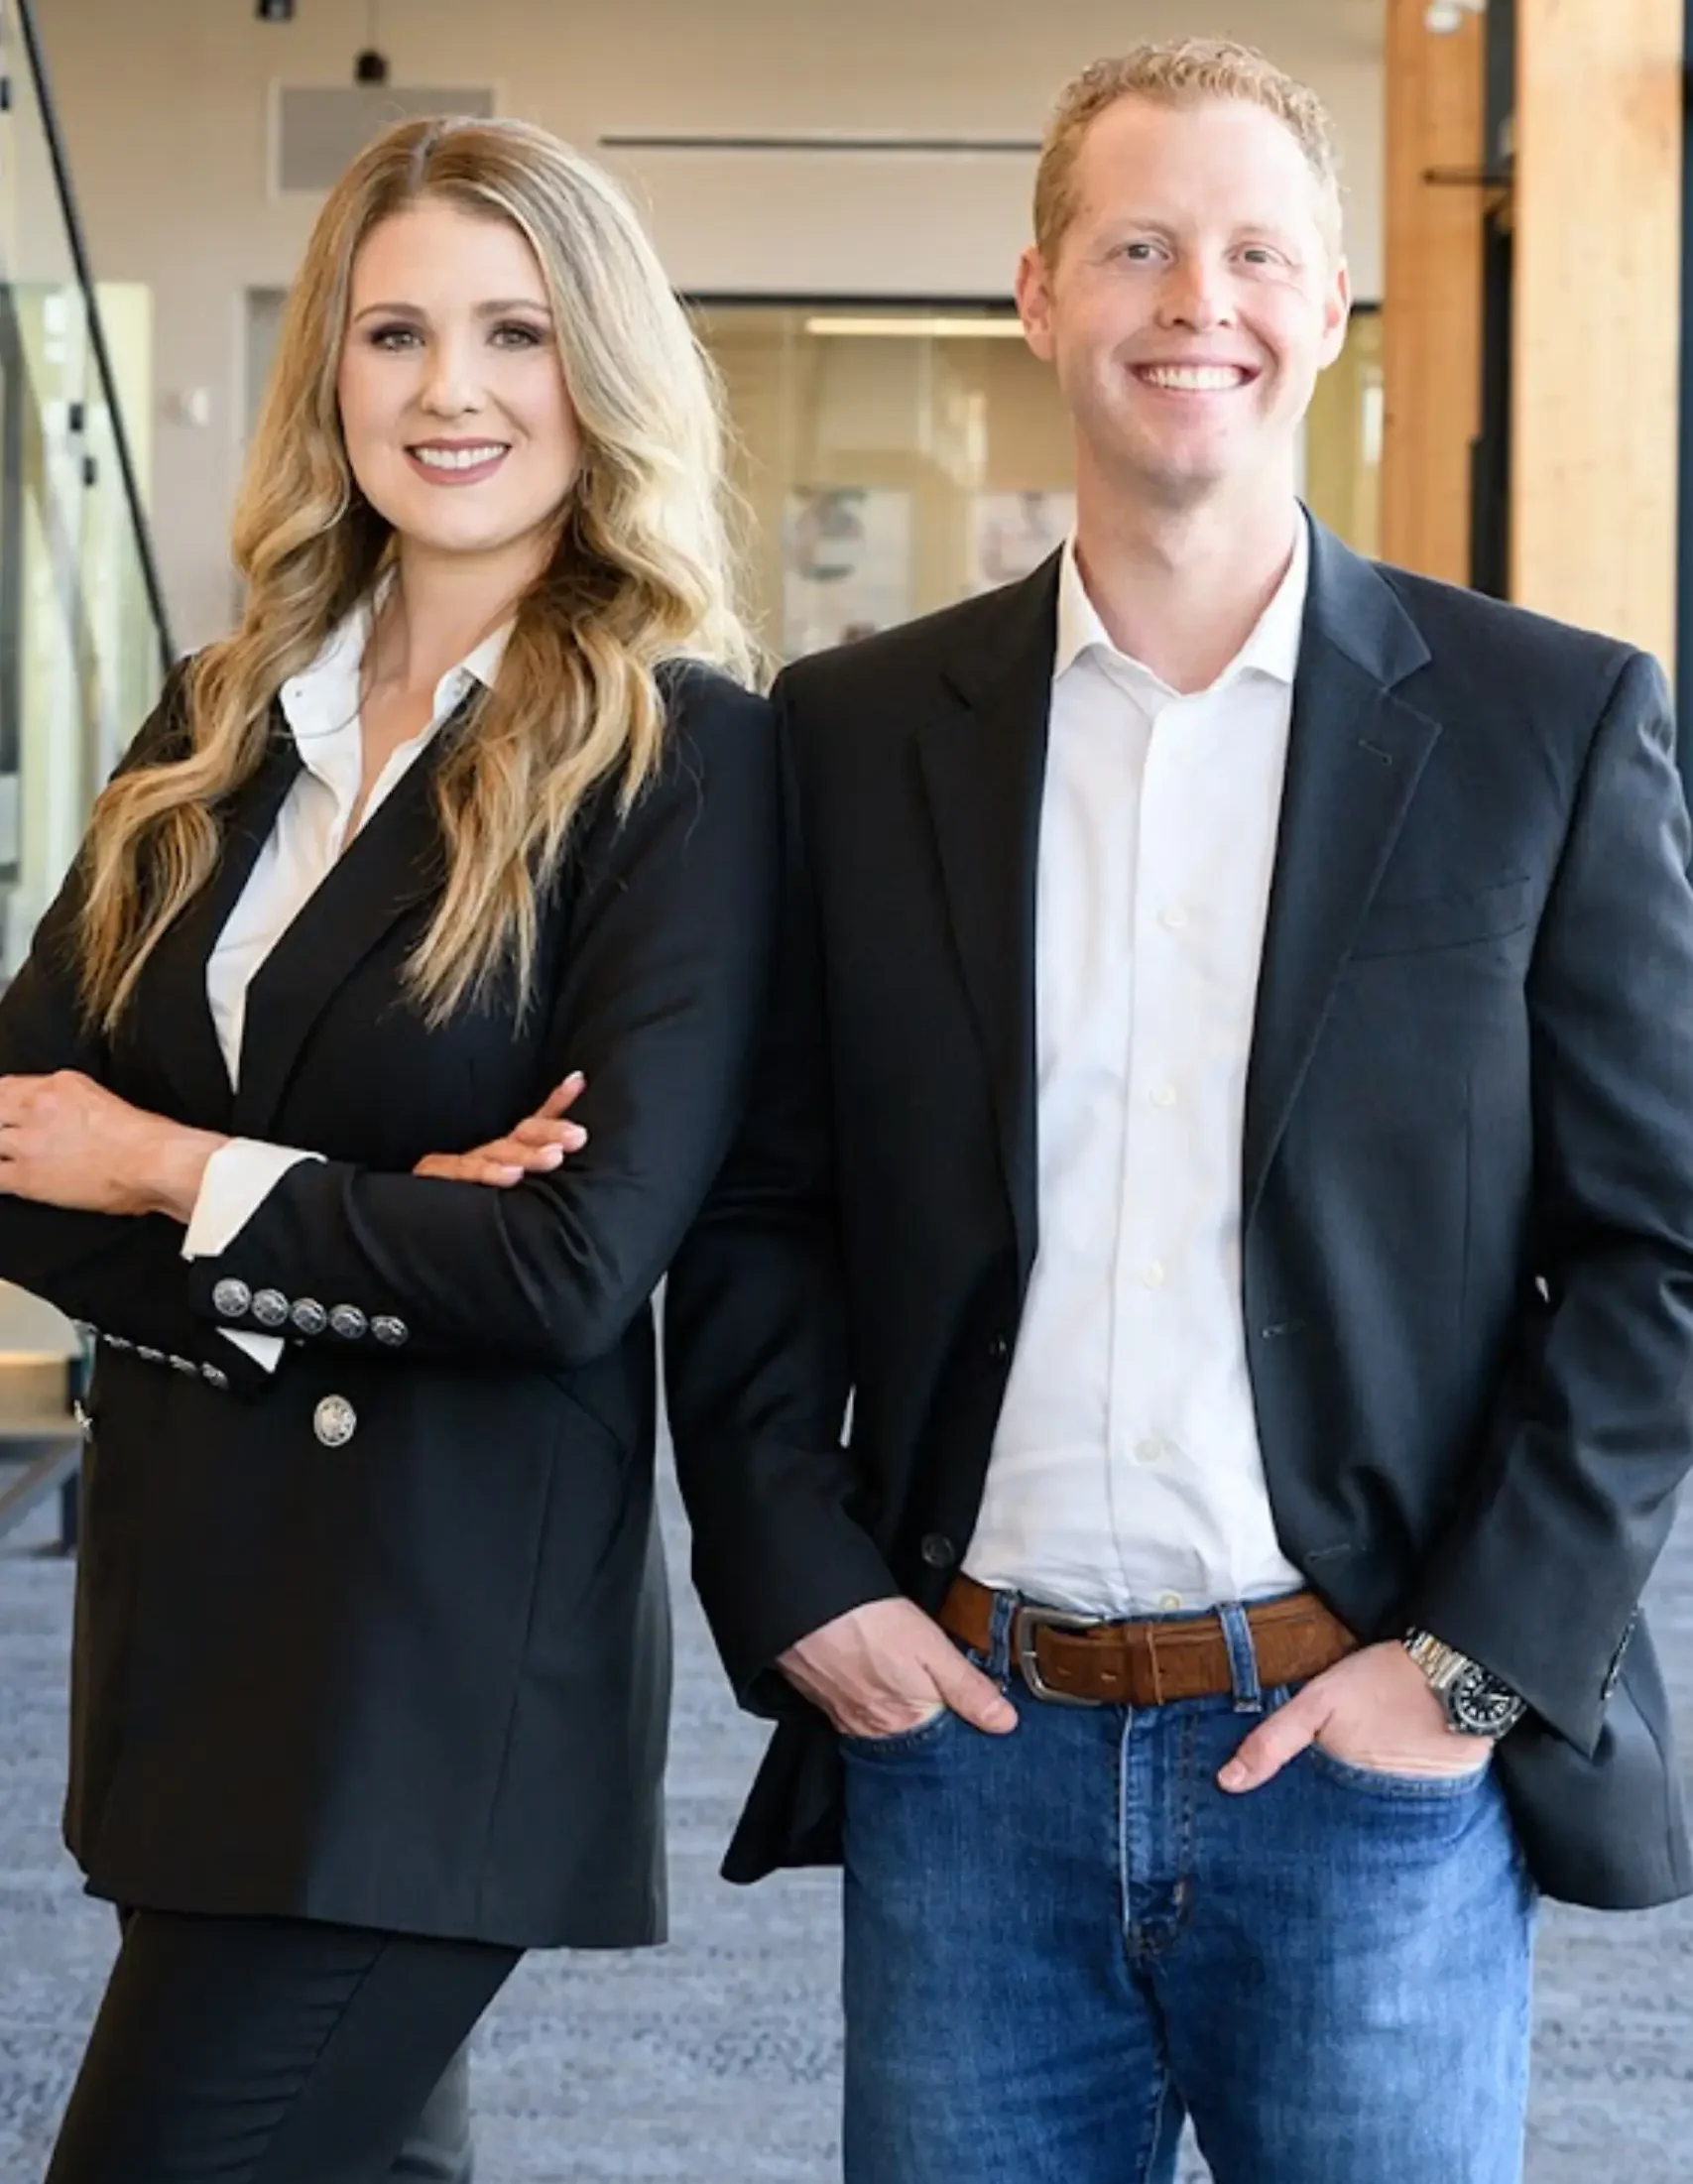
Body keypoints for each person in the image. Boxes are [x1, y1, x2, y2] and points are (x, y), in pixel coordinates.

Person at [665, 38, 1693, 2184]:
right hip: (966, 1747)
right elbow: (767, 1206)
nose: (1189, 301)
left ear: (1327, 309)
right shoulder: (853, 736)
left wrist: (1476, 1672)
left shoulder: (1542, 725)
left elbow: (1654, 1243)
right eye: (1132, 246)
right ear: (1036, 295)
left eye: (1247, 252)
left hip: (1362, 1752)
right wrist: (791, 1562)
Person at [0, 113, 774, 2183]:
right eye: (396, 331)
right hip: (194, 1609)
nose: (450, 391)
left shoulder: (676, 755)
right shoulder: (215, 718)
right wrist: (346, 1238)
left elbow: (565, 1271)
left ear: (595, 372)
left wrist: (184, 1176)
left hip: (434, 1661)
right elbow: (15, 1139)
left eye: (514, 333)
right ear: (326, 377)